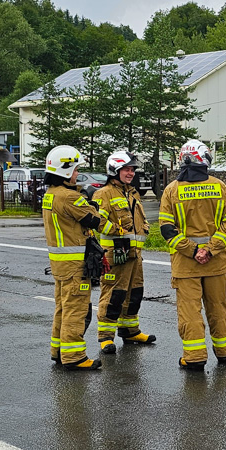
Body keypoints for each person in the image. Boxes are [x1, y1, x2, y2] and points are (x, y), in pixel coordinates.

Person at [159, 139, 226, 371]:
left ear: (184, 158)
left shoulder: (171, 190)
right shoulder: (220, 187)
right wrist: (210, 250)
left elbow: (167, 229)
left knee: (190, 311)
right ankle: (223, 352)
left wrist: (193, 251)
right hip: (216, 263)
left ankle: (194, 357)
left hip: (186, 265)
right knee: (218, 308)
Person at [43, 145, 111, 371]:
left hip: (60, 265)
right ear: (64, 171)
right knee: (76, 310)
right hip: (75, 264)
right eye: (74, 170)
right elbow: (95, 220)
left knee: (62, 308)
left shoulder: (50, 195)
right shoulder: (70, 197)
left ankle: (58, 351)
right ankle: (74, 357)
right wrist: (92, 203)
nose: (76, 174)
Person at [92, 151, 156, 354]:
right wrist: (117, 231)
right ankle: (105, 337)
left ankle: (130, 331)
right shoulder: (103, 194)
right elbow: (99, 222)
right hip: (115, 255)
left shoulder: (133, 193)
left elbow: (138, 219)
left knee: (134, 294)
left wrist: (145, 226)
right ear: (114, 170)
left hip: (135, 255)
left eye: (132, 170)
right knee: (113, 295)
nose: (130, 173)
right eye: (126, 169)